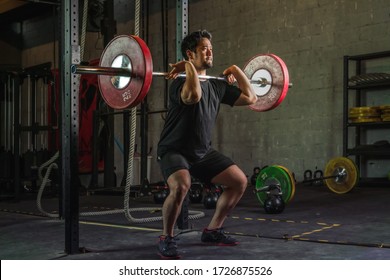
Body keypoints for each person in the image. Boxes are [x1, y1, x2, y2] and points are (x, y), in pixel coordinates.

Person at [156, 29, 257, 259]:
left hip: (201, 153)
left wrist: (235, 70)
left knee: (239, 181)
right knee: (181, 186)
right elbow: (193, 96)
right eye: (204, 48)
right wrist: (187, 68)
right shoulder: (179, 82)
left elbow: (251, 98)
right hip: (174, 150)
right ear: (190, 54)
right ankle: (166, 237)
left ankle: (213, 230)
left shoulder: (216, 85)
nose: (210, 51)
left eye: (211, 47)